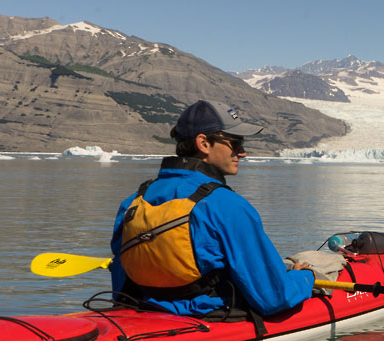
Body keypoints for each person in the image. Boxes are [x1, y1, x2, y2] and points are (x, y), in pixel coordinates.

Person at [109, 100, 318, 317]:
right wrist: (303, 277)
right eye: (235, 143)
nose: (243, 153)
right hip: (210, 318)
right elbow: (274, 298)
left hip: (141, 313)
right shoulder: (227, 206)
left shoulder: (134, 201)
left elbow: (121, 273)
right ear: (204, 143)